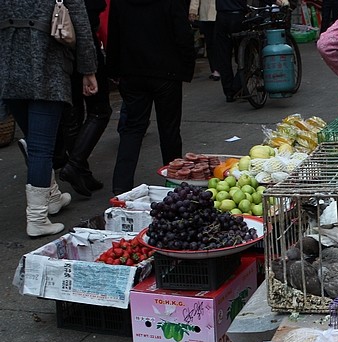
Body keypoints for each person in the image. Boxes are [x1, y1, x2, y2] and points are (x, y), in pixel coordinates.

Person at [0, 0, 98, 237]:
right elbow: (82, 27)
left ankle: (51, 196)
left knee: (36, 141)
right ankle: (37, 218)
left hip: (9, 69)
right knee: (43, 146)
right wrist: (89, 70)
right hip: (47, 68)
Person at [106, 0, 196, 195]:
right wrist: (186, 67)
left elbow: (114, 35)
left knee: (132, 128)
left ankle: (121, 185)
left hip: (133, 71)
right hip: (166, 71)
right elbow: (183, 33)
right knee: (169, 130)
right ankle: (174, 183)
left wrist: (113, 70)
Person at [56, 0, 112, 197]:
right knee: (100, 110)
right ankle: (75, 166)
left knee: (74, 113)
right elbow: (86, 20)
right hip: (82, 44)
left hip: (60, 46)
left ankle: (82, 171)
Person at [214, 0, 248, 102]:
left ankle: (229, 91)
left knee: (223, 56)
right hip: (238, 17)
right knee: (245, 55)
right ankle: (237, 86)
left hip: (221, 17)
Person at [190, 0, 221, 81]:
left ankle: (219, 68)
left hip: (220, 13)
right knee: (210, 43)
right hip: (206, 15)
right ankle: (215, 69)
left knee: (218, 43)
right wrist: (193, 11)